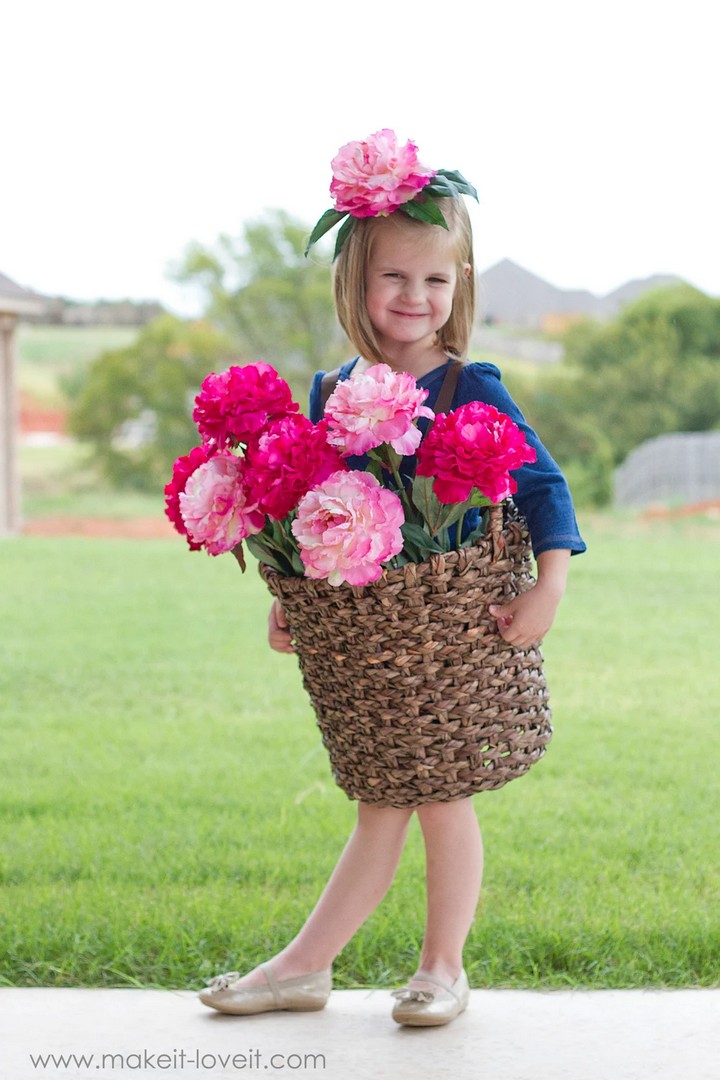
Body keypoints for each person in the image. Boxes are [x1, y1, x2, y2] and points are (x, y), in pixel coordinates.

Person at [199, 130, 585, 1026]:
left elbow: (543, 486)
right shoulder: (331, 392)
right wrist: (287, 599)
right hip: (371, 643)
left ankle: (440, 968)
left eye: (436, 279)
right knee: (379, 800)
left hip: (450, 635)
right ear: (355, 282)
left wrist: (550, 584)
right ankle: (304, 968)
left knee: (439, 795)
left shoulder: (468, 388)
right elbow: (305, 506)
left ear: (460, 286)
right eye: (394, 277)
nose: (415, 296)